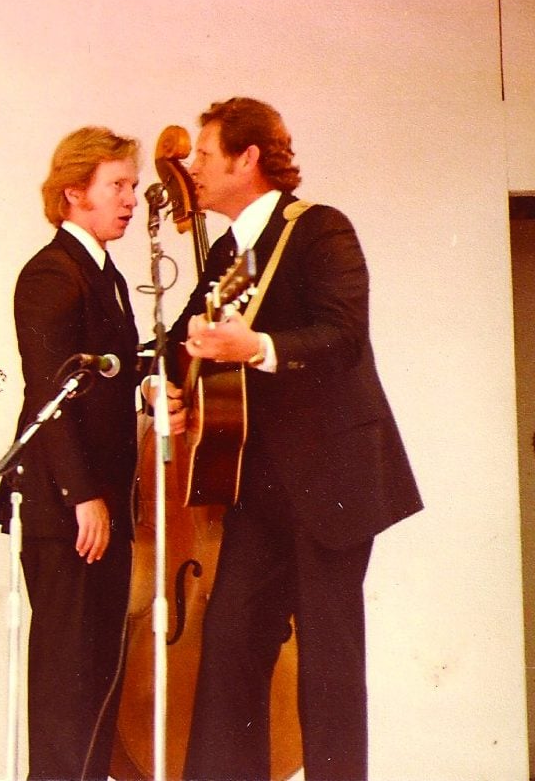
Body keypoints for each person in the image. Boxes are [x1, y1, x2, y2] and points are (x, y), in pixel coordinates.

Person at [164, 97, 423, 781]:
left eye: (204, 154)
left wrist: (258, 346)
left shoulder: (319, 231)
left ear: (248, 159)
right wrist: (163, 383)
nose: (191, 167)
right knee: (229, 646)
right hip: (257, 485)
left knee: (329, 663)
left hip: (332, 481)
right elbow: (177, 344)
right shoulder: (226, 251)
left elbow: (343, 336)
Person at [0, 126, 145, 781]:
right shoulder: (53, 272)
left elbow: (114, 375)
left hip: (100, 505)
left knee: (97, 680)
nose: (131, 199)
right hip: (67, 510)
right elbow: (49, 391)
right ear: (74, 193)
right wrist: (84, 495)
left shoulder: (105, 273)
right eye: (118, 186)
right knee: (65, 683)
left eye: (134, 186)